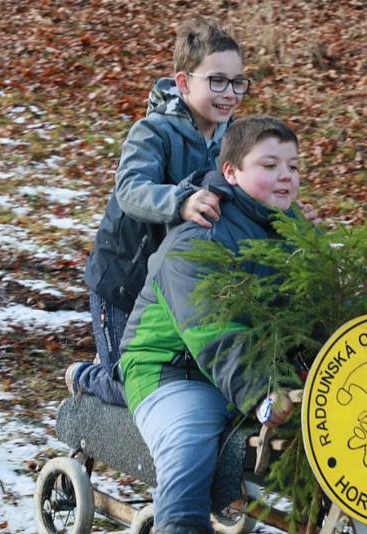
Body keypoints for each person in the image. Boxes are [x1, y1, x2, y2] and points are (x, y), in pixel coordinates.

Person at [119, 116, 299, 532]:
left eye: (293, 166)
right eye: (269, 166)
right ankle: (180, 524)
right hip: (176, 370)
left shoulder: (291, 232)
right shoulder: (201, 239)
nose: (286, 176)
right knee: (190, 445)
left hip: (256, 372)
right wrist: (259, 393)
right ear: (231, 172)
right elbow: (214, 332)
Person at [66, 18, 249, 405]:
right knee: (133, 384)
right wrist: (180, 201)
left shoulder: (235, 140)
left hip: (179, 284)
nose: (229, 93)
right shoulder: (153, 132)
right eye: (216, 81)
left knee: (183, 381)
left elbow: (252, 190)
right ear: (183, 83)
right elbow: (130, 189)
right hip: (124, 283)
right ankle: (87, 376)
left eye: (237, 82)